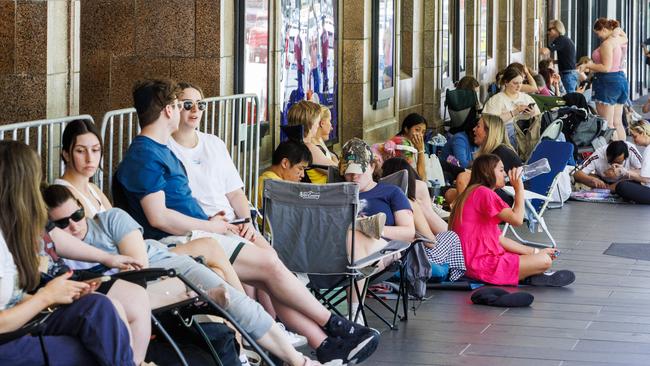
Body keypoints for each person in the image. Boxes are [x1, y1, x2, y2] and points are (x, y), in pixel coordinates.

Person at [116, 79, 380, 364]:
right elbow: (160, 217)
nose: (187, 111)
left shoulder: (160, 149)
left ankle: (325, 341)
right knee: (269, 267)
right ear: (169, 110)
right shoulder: (145, 153)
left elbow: (209, 199)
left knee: (270, 270)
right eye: (182, 105)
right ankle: (334, 328)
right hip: (185, 240)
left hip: (204, 230)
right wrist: (213, 225)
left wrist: (231, 223)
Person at [42, 184, 321, 366]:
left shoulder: (110, 220)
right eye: (62, 223)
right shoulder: (58, 249)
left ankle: (299, 361)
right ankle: (212, 307)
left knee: (235, 290)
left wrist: (107, 262)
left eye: (77, 215)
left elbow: (139, 265)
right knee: (218, 279)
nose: (73, 225)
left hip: (158, 264)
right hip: (142, 289)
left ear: (82, 208)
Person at [0, 140, 137, 366]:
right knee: (88, 350)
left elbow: (11, 298)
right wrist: (47, 297)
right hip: (7, 342)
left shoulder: (14, 230)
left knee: (98, 307)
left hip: (20, 326)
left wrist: (64, 294)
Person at [449, 154, 575, 287]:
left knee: (536, 256)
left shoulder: (474, 191)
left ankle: (526, 275)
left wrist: (535, 251)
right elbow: (517, 219)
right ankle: (526, 275)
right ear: (487, 172)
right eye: (501, 170)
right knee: (545, 261)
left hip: (470, 263)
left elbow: (499, 239)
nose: (505, 174)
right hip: (481, 264)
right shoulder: (484, 193)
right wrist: (519, 188)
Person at [380, 158, 466, 281]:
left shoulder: (379, 201)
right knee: (451, 236)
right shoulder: (408, 203)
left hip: (385, 254)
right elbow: (430, 242)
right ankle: (453, 276)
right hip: (412, 256)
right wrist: (423, 205)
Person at [446, 114, 523, 205]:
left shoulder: (500, 153)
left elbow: (484, 183)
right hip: (501, 195)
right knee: (450, 193)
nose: (474, 129)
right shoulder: (496, 151)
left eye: (478, 126)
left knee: (460, 182)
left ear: (488, 132)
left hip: (510, 199)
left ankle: (466, 216)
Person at [577, 18, 629, 141]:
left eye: (598, 33)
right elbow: (625, 37)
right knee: (618, 122)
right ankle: (624, 154)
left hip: (607, 82)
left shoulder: (607, 44)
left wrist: (587, 65)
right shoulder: (619, 40)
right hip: (620, 79)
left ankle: (615, 155)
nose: (598, 36)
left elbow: (606, 67)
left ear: (604, 29)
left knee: (608, 124)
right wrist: (616, 30)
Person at [54, 119, 111, 218]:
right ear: (66, 154)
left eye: (95, 150)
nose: (90, 158)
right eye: (80, 151)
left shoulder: (93, 188)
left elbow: (118, 224)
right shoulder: (64, 194)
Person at [482, 66, 541, 149]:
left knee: (557, 135)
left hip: (527, 130)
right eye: (515, 83)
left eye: (520, 83)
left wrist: (532, 113)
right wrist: (514, 112)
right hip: (508, 133)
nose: (519, 86)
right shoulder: (497, 99)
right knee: (515, 134)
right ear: (506, 82)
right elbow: (490, 122)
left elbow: (538, 117)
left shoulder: (526, 98)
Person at [286, 100, 337, 184]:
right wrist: (335, 158)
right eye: (317, 122)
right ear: (310, 123)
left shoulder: (291, 144)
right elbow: (337, 172)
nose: (318, 125)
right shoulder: (308, 148)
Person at [258, 140, 312, 204]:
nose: (303, 175)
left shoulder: (269, 180)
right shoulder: (271, 185)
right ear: (285, 163)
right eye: (300, 168)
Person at [574, 140, 642, 190]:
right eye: (611, 162)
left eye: (618, 163)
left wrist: (624, 172)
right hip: (603, 182)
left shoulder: (631, 150)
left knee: (637, 179)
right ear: (606, 154)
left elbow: (645, 172)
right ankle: (609, 189)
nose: (613, 167)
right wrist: (591, 179)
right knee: (587, 177)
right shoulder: (598, 154)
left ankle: (611, 189)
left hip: (625, 181)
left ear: (626, 157)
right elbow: (577, 173)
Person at [613, 120, 650, 204]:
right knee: (627, 182)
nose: (633, 140)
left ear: (643, 133)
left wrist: (625, 172)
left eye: (635, 136)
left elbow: (646, 179)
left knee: (621, 186)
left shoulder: (648, 151)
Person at [547, 19, 578, 93]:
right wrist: (554, 62)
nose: (548, 32)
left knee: (569, 98)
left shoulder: (561, 40)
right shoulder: (561, 40)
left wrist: (539, 49)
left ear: (557, 29)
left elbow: (547, 50)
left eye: (549, 29)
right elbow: (567, 58)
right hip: (567, 74)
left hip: (568, 75)